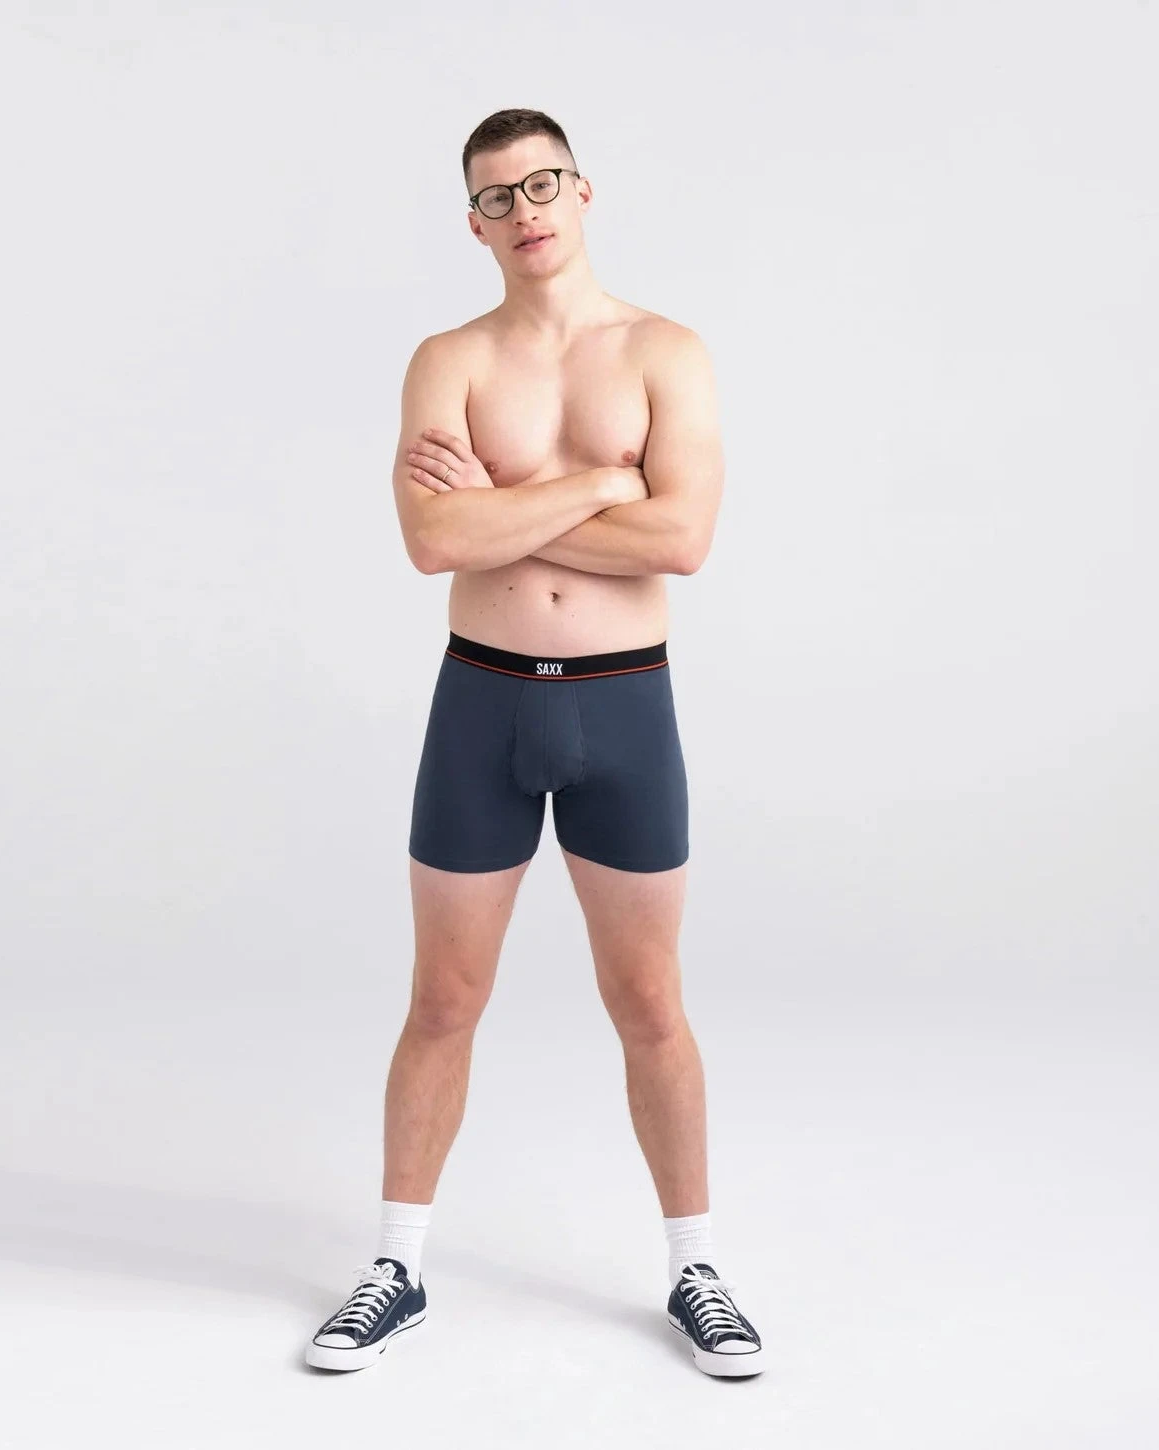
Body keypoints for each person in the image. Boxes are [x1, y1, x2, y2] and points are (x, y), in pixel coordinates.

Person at [304, 108, 762, 1379]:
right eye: (497, 197)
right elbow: (433, 542)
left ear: (582, 190)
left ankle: (696, 1269)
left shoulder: (665, 351)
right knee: (443, 1000)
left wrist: (502, 507)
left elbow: (682, 541)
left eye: (542, 184)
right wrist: (606, 484)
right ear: (474, 223)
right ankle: (395, 1268)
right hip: (484, 701)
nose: (525, 211)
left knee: (650, 1002)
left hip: (623, 703)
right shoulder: (447, 359)